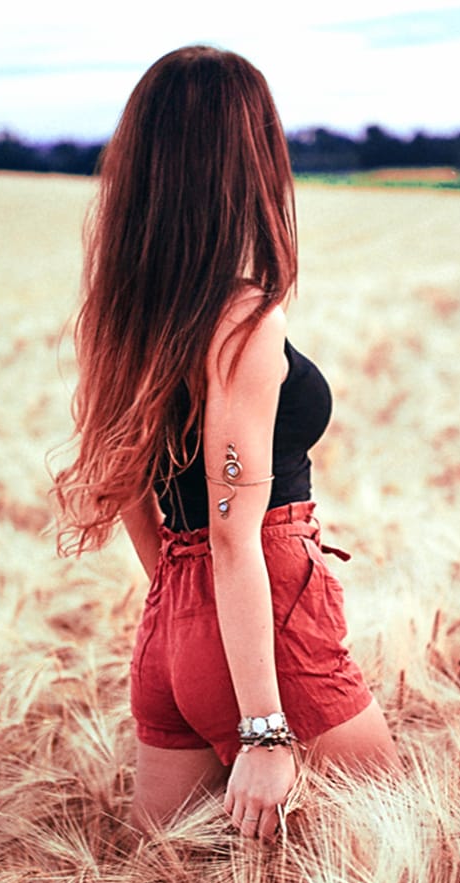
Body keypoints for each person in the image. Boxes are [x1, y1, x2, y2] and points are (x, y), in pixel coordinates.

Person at [51, 45, 402, 841]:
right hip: (267, 622)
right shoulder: (244, 322)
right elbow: (235, 532)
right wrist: (264, 730)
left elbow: (128, 486)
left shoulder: (122, 313)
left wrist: (189, 615)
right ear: (246, 163)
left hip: (169, 621)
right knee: (392, 830)